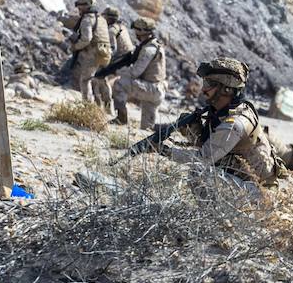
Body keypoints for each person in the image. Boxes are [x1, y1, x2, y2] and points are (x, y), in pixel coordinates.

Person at [166, 56, 278, 188]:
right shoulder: (221, 111)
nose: (203, 89)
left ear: (226, 89)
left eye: (208, 84)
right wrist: (193, 131)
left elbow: (203, 158)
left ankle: (211, 209)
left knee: (199, 173)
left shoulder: (234, 122)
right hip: (244, 180)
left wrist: (164, 151)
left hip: (260, 190)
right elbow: (210, 145)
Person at [112, 17, 165, 128]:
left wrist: (118, 71)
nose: (135, 33)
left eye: (136, 30)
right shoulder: (153, 45)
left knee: (119, 84)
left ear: (142, 31)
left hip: (152, 89)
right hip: (155, 89)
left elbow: (135, 72)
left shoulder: (148, 49)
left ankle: (121, 118)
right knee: (147, 128)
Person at [66, 0, 111, 108]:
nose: (79, 9)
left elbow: (86, 39)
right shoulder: (101, 19)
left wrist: (75, 47)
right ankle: (108, 108)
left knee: (85, 80)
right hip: (105, 54)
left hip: (93, 54)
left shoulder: (87, 19)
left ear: (85, 6)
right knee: (100, 80)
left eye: (80, 6)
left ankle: (88, 109)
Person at [98, 6, 133, 114]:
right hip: (127, 59)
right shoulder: (121, 27)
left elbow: (112, 49)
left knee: (100, 77)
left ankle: (107, 108)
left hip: (121, 60)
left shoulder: (111, 31)